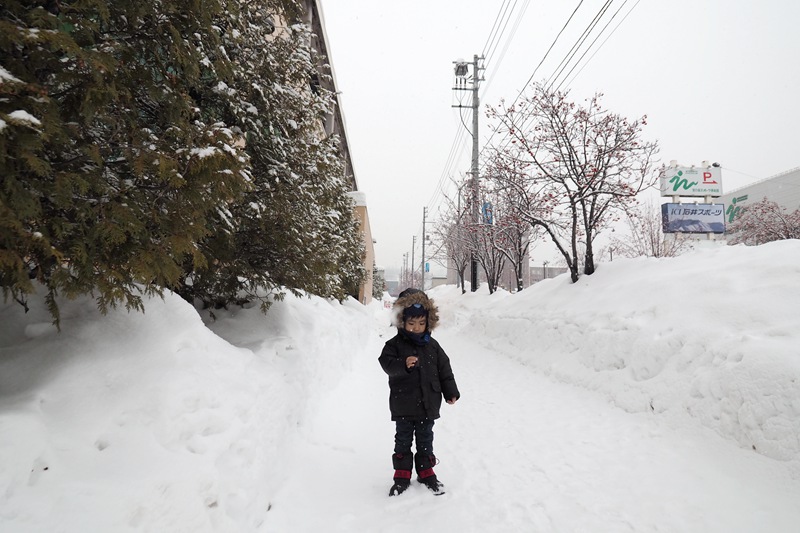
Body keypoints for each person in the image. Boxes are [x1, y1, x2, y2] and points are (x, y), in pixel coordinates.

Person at [378, 288, 460, 496]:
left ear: (428, 322)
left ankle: (426, 473)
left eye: (421, 323)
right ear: (402, 321)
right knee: (403, 440)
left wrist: (450, 391)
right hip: (403, 403)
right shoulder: (394, 345)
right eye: (411, 323)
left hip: (427, 404)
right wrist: (402, 364)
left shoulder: (433, 346)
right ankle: (402, 475)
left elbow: (445, 370)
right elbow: (386, 363)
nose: (416, 328)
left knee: (425, 440)